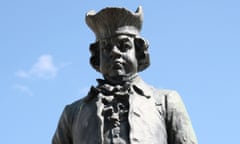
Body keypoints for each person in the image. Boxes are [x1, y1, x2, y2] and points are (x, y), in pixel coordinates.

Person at [52, 6, 198, 144]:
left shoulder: (166, 101)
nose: (115, 52)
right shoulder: (72, 113)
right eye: (106, 48)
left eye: (124, 46)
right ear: (98, 56)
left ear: (138, 53)